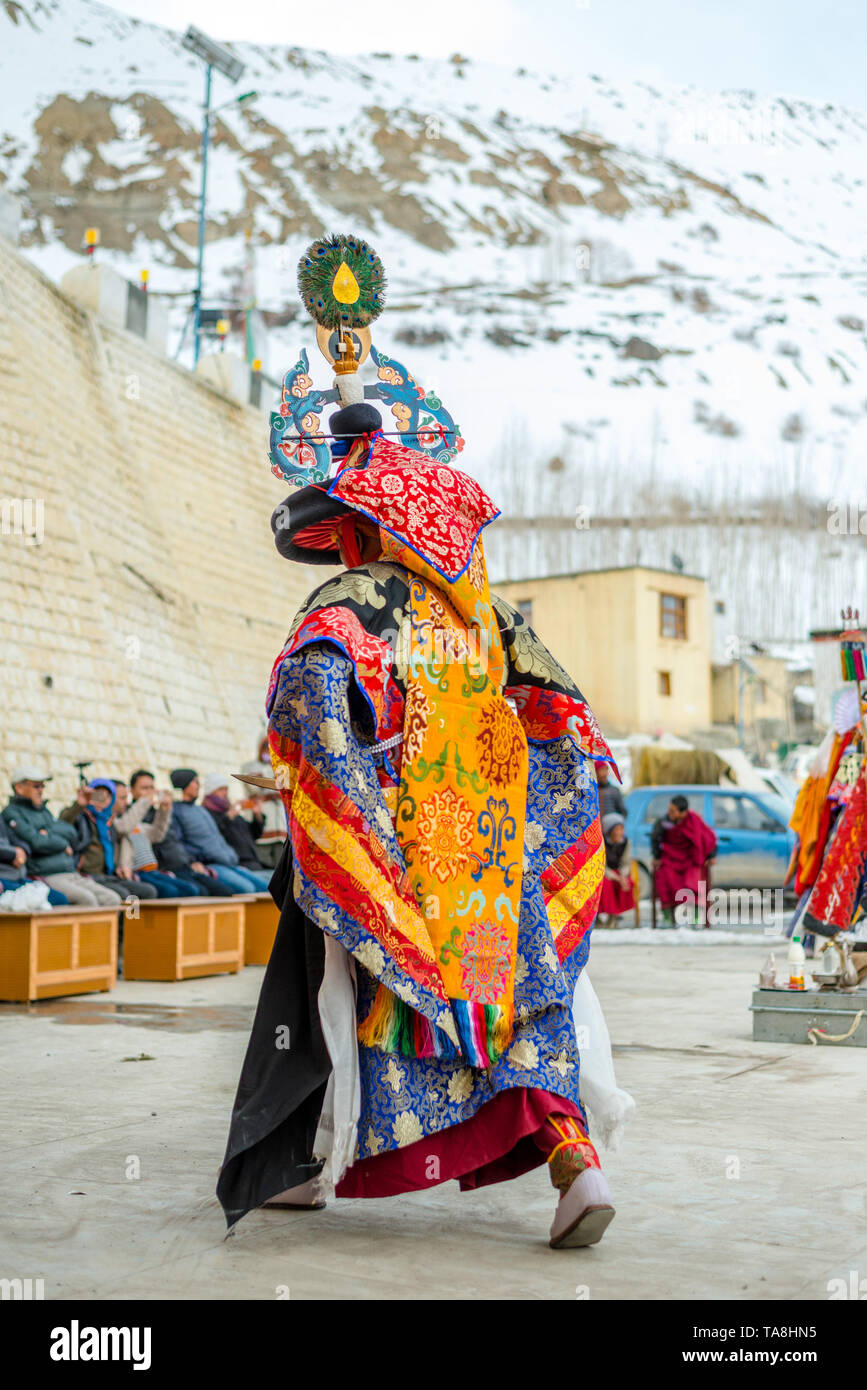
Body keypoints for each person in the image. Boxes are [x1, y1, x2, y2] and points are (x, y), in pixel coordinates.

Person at [217, 241, 633, 1251]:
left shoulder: (350, 608)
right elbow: (567, 726)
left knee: (343, 984)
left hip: (398, 846)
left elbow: (310, 708)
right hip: (494, 856)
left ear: (358, 532)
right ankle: (574, 1166)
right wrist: (537, 824)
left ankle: (309, 1159)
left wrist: (340, 804)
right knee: (528, 998)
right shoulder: (488, 619)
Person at [1, 768, 122, 907]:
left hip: (70, 871)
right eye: (36, 786)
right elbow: (37, 842)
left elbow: (70, 832)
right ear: (19, 788)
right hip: (47, 874)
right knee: (87, 900)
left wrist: (48, 834)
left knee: (112, 899)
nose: (41, 790)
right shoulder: (11, 813)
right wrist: (63, 844)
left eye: (42, 786)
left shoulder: (43, 810)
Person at [169, 770, 271, 893]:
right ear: (184, 785)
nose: (198, 785)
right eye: (195, 782)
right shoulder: (176, 811)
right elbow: (178, 841)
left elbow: (252, 833)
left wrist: (257, 815)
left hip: (230, 863)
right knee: (247, 888)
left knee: (266, 886)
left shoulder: (200, 810)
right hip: (210, 864)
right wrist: (192, 861)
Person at [59, 780, 157, 901]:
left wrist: (119, 868)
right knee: (125, 895)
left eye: (107, 795)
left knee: (148, 891)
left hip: (109, 875)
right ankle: (122, 920)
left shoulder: (109, 821)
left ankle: (134, 920)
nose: (102, 798)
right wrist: (79, 804)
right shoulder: (80, 816)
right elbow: (62, 825)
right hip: (87, 875)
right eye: (98, 794)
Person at [651, 794, 717, 925]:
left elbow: (708, 838)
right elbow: (655, 839)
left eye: (673, 811)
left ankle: (696, 918)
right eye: (669, 809)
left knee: (694, 880)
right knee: (664, 878)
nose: (669, 813)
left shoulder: (694, 820)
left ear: (683, 812)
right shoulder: (664, 822)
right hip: (670, 858)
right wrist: (657, 856)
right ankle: (667, 917)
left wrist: (711, 856)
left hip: (690, 859)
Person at [200, 774, 271, 875]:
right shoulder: (206, 813)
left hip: (254, 863)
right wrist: (229, 817)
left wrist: (257, 815)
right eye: (220, 789)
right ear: (211, 791)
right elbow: (215, 835)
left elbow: (254, 834)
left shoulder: (231, 811)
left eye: (226, 789)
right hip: (237, 865)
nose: (225, 793)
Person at [0, 812, 69, 904]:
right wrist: (14, 854)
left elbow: (19, 841)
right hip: (4, 879)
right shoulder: (11, 812)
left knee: (60, 899)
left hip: (19, 877)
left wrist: (22, 850)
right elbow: (36, 842)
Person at [597, 813, 635, 925]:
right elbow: (601, 865)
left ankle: (614, 915)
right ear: (609, 831)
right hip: (603, 873)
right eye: (616, 829)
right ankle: (600, 916)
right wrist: (616, 877)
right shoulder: (601, 842)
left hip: (619, 872)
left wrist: (622, 876)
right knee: (606, 885)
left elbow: (626, 862)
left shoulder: (626, 842)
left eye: (621, 829)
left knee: (628, 883)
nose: (620, 833)